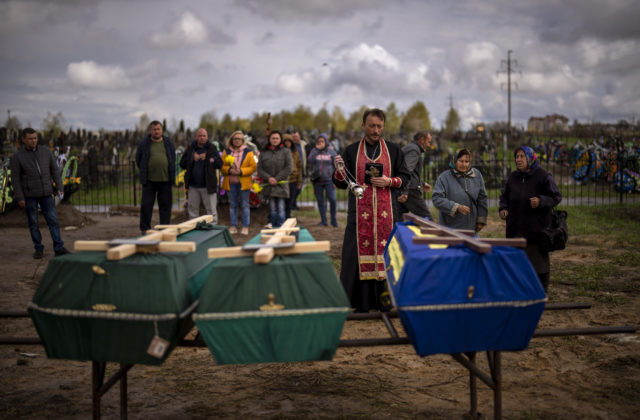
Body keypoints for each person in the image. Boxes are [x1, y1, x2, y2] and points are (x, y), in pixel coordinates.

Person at [333, 108, 411, 312]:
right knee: (354, 257)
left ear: (383, 126)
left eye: (379, 126)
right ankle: (360, 303)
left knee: (387, 255)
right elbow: (341, 183)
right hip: (359, 215)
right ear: (363, 126)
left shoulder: (394, 150)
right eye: (372, 126)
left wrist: (389, 181)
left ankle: (386, 302)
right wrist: (339, 170)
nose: (376, 130)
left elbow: (406, 177)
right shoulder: (350, 151)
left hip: (387, 214)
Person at [499, 146, 562, 292]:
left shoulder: (543, 176)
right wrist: (503, 208)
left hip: (536, 230)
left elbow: (556, 197)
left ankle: (541, 292)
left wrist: (541, 201)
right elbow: (504, 196)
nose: (518, 160)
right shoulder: (513, 177)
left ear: (530, 158)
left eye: (522, 156)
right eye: (517, 157)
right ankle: (519, 292)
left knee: (538, 264)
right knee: (516, 264)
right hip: (515, 229)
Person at [11, 127, 71, 259]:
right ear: (24, 140)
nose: (33, 141)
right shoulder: (18, 157)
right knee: (33, 223)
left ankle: (58, 247)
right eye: (30, 139)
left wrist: (59, 187)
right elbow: (15, 179)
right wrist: (20, 197)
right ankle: (38, 248)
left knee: (53, 221)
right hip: (29, 196)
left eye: (35, 138)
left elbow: (54, 171)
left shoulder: (45, 152)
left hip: (46, 193)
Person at [431, 148, 488, 232]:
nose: (464, 164)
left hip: (471, 227)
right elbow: (437, 199)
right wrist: (456, 207)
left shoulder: (477, 175)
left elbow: (482, 198)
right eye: (461, 161)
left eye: (466, 161)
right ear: (455, 161)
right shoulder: (444, 177)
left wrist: (481, 221)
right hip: (449, 228)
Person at [135, 120, 176, 234]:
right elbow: (138, 159)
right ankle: (145, 229)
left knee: (165, 207)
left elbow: (172, 158)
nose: (156, 131)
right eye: (154, 129)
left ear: (161, 130)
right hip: (149, 181)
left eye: (158, 129)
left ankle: (164, 229)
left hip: (165, 180)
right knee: (146, 206)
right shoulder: (144, 143)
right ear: (150, 130)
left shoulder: (168, 143)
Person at [179, 128, 223, 222]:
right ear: (196, 137)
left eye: (204, 136)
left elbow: (220, 164)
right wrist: (192, 158)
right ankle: (193, 230)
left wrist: (209, 158)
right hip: (193, 186)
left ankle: (213, 230)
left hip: (208, 186)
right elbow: (182, 164)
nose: (202, 138)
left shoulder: (212, 148)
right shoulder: (191, 148)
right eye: (200, 136)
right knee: (192, 211)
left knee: (211, 211)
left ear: (207, 137)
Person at [221, 130, 257, 235]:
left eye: (239, 139)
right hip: (230, 182)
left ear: (243, 141)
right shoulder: (226, 151)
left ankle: (245, 226)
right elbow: (222, 166)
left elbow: (253, 167)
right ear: (231, 140)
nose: (237, 141)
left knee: (245, 205)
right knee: (233, 205)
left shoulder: (248, 152)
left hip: (244, 183)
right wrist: (229, 170)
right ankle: (233, 225)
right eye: (235, 139)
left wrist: (241, 171)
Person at [257, 131, 292, 228]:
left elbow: (289, 168)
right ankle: (273, 227)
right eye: (273, 138)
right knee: (272, 208)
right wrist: (269, 178)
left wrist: (276, 179)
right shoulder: (264, 152)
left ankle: (281, 227)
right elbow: (259, 168)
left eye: (277, 138)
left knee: (281, 208)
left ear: (280, 139)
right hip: (269, 186)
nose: (275, 140)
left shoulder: (286, 151)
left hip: (281, 186)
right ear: (269, 139)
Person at [396, 131, 434, 221]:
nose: (429, 145)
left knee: (398, 220)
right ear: (421, 140)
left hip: (405, 189)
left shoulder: (410, 147)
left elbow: (409, 171)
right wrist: (405, 191)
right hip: (410, 191)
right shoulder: (414, 150)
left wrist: (422, 183)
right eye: (428, 142)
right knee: (428, 220)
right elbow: (407, 170)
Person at [307, 133, 338, 227]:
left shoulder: (331, 151)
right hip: (317, 180)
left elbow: (336, 165)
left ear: (326, 142)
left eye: (322, 141)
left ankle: (333, 220)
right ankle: (324, 220)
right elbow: (309, 161)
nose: (320, 143)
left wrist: (335, 180)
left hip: (329, 180)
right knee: (320, 201)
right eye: (319, 141)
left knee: (332, 200)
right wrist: (317, 150)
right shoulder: (314, 151)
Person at [282, 134, 302, 219]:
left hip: (293, 179)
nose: (287, 143)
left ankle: (288, 216)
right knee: (283, 200)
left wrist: (299, 181)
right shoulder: (281, 152)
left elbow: (299, 166)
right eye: (285, 141)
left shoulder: (295, 152)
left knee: (290, 200)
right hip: (283, 179)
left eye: (289, 141)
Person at [290, 130, 307, 210]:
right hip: (293, 171)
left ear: (299, 137)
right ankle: (293, 204)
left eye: (296, 136)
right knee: (293, 188)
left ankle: (293, 202)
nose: (295, 138)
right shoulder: (290, 146)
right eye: (293, 137)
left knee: (299, 188)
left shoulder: (303, 144)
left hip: (302, 169)